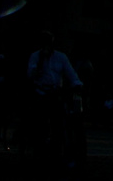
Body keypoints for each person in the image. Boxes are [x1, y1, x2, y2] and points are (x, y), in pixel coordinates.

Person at [24, 31, 82, 180]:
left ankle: (57, 151)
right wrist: (41, 60)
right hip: (40, 92)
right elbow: (31, 74)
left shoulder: (61, 57)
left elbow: (71, 73)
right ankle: (38, 149)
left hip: (55, 93)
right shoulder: (35, 56)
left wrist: (77, 84)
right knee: (38, 122)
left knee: (59, 123)